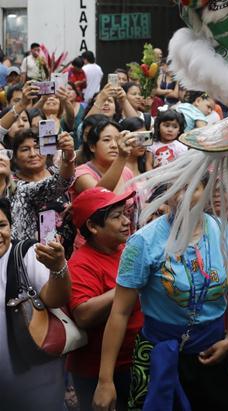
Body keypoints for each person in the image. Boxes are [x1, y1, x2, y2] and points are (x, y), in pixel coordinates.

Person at [92, 178, 228, 411]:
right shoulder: (143, 242)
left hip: (214, 352)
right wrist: (105, 380)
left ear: (205, 192)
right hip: (159, 357)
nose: (181, 195)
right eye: (175, 189)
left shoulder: (221, 232)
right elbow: (120, 312)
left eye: (191, 188)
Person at [67, 187, 144, 411]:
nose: (126, 221)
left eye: (125, 213)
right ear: (93, 227)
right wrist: (129, 284)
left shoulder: (127, 250)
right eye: (116, 216)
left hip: (134, 361)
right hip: (99, 372)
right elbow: (83, 314)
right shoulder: (81, 263)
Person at [0, 197, 72, 407]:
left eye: (2, 225)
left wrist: (58, 267)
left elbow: (56, 298)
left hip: (37, 385)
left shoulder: (26, 254)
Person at [10, 128, 77, 252]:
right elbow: (58, 183)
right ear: (14, 157)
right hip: (33, 255)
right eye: (25, 149)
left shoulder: (56, 171)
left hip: (68, 251)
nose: (33, 154)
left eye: (37, 147)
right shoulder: (14, 185)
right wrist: (68, 158)